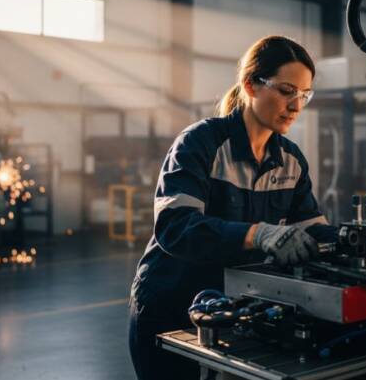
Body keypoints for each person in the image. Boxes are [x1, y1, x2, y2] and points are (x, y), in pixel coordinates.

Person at [128, 35, 332, 380]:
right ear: (251, 85)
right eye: (286, 91)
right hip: (170, 308)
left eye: (304, 95)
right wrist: (260, 234)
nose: (296, 105)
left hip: (232, 311)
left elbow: (312, 231)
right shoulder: (200, 143)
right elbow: (175, 228)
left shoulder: (291, 161)